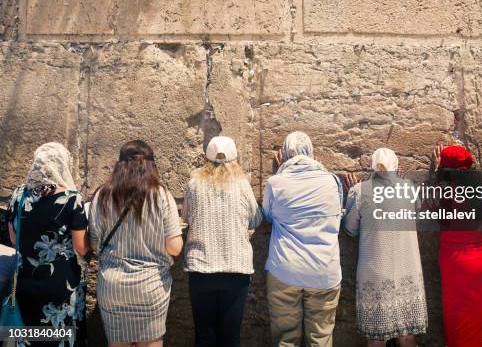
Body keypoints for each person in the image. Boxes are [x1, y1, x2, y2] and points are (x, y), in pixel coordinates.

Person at [89, 140, 183, 347]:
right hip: (150, 286)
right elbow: (174, 248)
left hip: (112, 286)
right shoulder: (162, 195)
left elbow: (94, 244)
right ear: (151, 165)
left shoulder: (103, 195)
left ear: (119, 164)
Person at [263, 131, 343, 347]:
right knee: (321, 336)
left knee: (286, 338)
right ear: (312, 153)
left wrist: (277, 172)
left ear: (285, 154)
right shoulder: (332, 182)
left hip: (285, 269)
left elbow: (268, 215)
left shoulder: (276, 183)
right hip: (324, 271)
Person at [343, 148, 427, 347]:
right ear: (397, 166)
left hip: (375, 275)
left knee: (376, 340)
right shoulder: (409, 189)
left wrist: (353, 196)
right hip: (408, 273)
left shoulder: (359, 191)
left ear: (371, 166)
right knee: (407, 337)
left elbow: (350, 229)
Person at [7, 142, 89, 346]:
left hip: (25, 282)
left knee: (31, 337)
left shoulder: (18, 195)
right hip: (60, 285)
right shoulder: (72, 199)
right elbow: (81, 247)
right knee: (58, 338)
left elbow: (13, 238)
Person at [183, 136, 262, 347]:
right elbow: (255, 219)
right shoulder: (243, 186)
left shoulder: (194, 185)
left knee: (204, 335)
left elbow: (187, 217)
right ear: (235, 159)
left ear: (206, 158)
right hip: (236, 269)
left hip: (201, 268)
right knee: (230, 337)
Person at [431, 145, 482, 347]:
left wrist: (436, 174)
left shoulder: (441, 190)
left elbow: (429, 210)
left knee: (460, 319)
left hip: (456, 262)